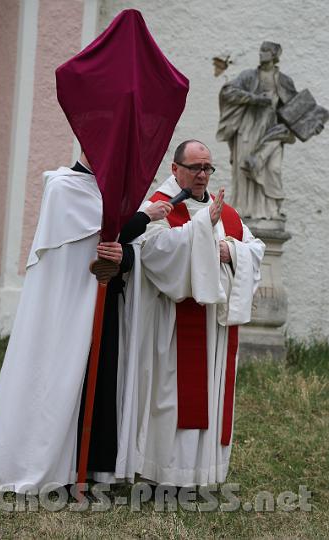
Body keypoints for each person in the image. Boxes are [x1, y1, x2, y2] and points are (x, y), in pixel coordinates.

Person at [0, 151, 171, 493]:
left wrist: (126, 251)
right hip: (65, 310)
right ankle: (51, 467)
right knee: (62, 382)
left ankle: (93, 468)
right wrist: (145, 215)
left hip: (103, 301)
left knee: (103, 378)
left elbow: (117, 241)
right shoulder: (63, 186)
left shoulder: (107, 190)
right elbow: (108, 228)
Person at [129, 139, 265, 486]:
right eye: (195, 168)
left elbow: (255, 249)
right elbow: (154, 252)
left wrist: (231, 251)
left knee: (209, 395)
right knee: (170, 398)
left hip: (214, 329)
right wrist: (203, 230)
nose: (202, 175)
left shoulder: (227, 213)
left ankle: (200, 473)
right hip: (172, 326)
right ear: (175, 169)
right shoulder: (159, 207)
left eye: (207, 168)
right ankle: (162, 472)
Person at [216, 41, 297, 220]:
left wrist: (308, 122)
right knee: (244, 169)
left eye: (266, 51)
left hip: (272, 131)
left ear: (275, 55)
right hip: (248, 128)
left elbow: (295, 109)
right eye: (261, 50)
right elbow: (227, 92)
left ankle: (270, 211)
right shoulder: (248, 76)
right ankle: (244, 211)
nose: (262, 54)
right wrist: (253, 99)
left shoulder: (284, 80)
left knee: (273, 169)